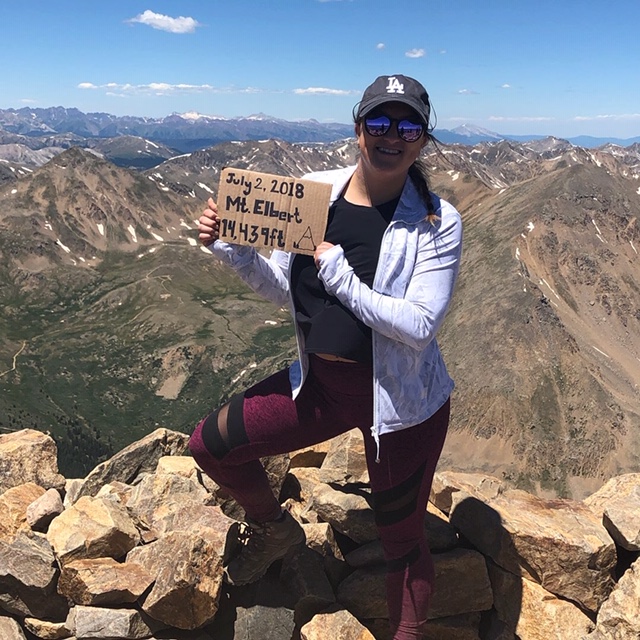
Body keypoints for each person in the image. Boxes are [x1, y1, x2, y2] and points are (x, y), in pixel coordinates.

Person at [189, 74, 463, 640]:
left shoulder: (437, 219)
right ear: (358, 127)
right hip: (320, 387)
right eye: (380, 122)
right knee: (210, 444)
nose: (393, 135)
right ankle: (273, 529)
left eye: (409, 125)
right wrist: (232, 249)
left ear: (423, 138)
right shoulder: (316, 193)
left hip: (402, 404)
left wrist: (341, 277)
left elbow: (419, 326)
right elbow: (285, 290)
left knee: (401, 539)